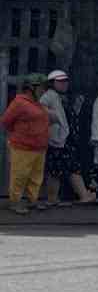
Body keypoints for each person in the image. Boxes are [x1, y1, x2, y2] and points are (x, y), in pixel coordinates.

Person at [41, 70, 92, 204]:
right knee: (57, 170)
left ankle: (57, 198)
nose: (64, 84)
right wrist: (53, 116)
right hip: (56, 139)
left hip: (66, 139)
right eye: (60, 81)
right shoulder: (48, 96)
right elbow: (40, 109)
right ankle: (79, 196)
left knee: (63, 168)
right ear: (52, 83)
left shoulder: (66, 97)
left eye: (65, 81)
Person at [4, 74, 50, 214]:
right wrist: (22, 134)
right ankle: (15, 202)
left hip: (39, 147)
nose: (44, 90)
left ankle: (32, 201)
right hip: (23, 147)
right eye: (42, 87)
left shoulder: (38, 103)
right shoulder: (19, 102)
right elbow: (6, 121)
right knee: (20, 175)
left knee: (36, 176)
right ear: (31, 88)